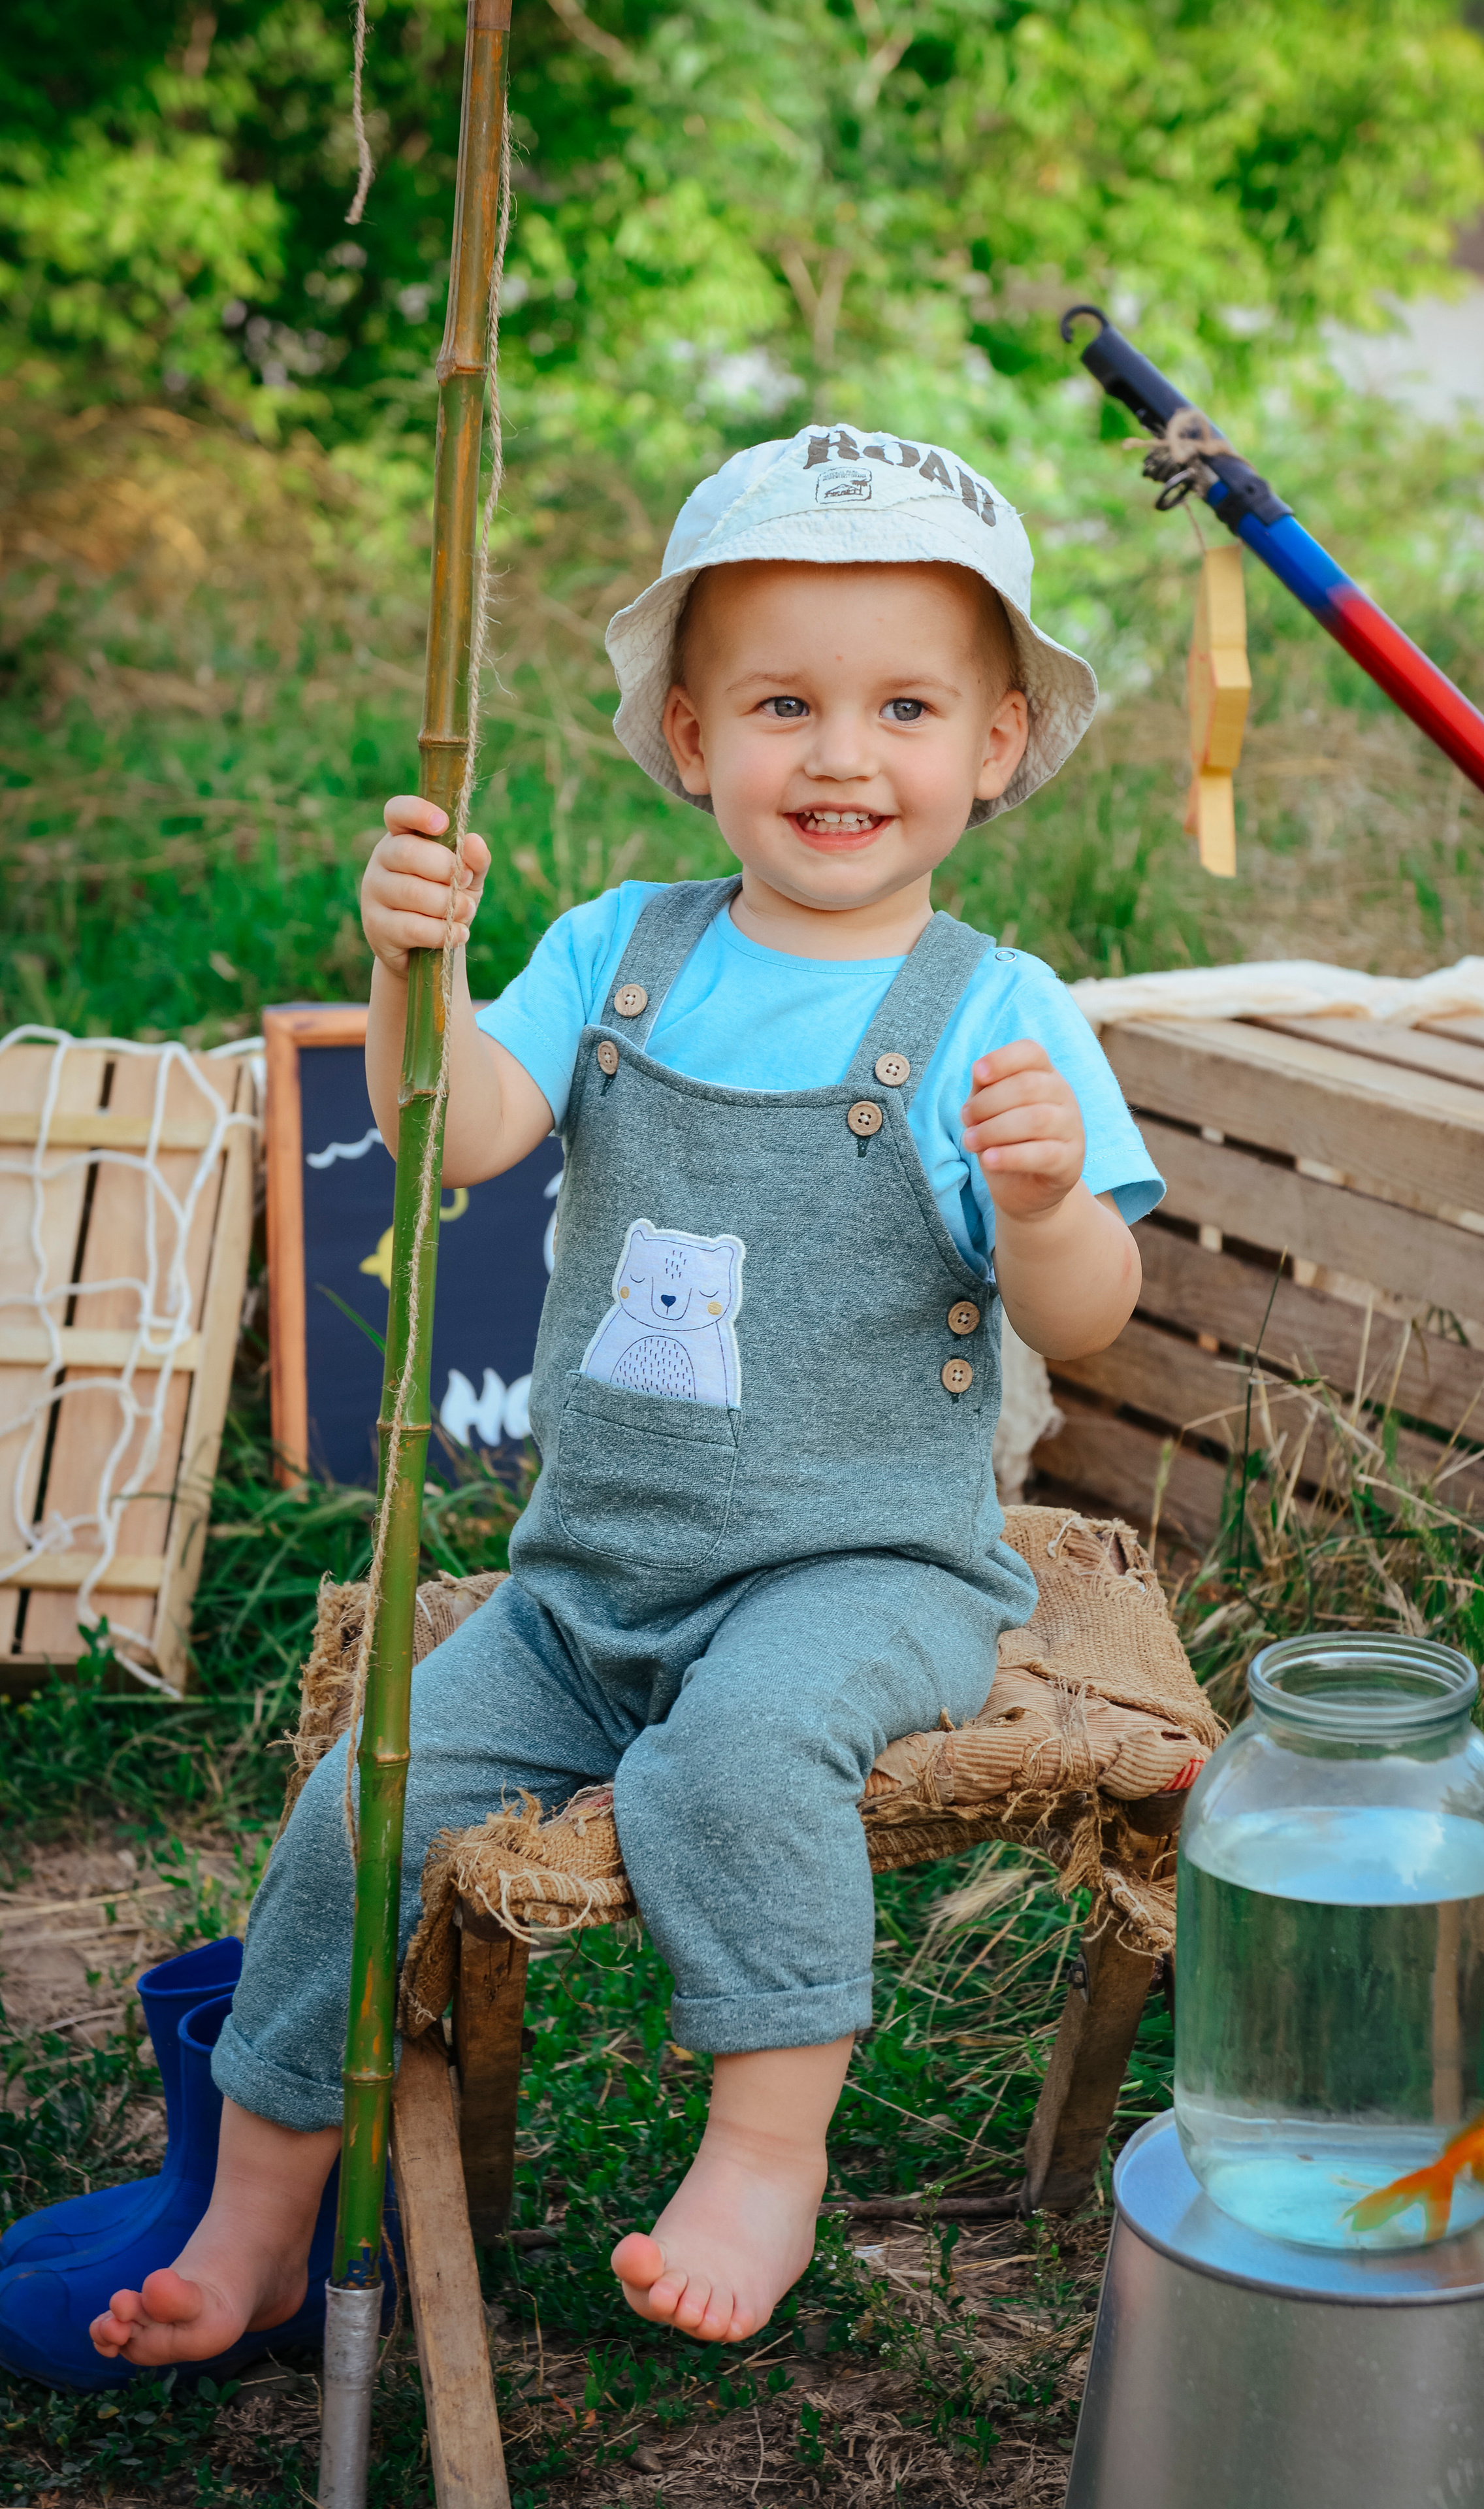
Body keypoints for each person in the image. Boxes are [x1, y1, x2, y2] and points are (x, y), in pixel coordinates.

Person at [90, 423, 1163, 2362]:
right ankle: (256, 2212)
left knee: (739, 1759)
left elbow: (1087, 1317)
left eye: (905, 705)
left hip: (863, 1572)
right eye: (783, 704)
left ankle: (764, 2148)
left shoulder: (1000, 1016)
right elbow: (468, 1133)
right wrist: (412, 970)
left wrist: (1048, 1197)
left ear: (997, 744)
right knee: (356, 1810)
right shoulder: (621, 953)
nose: (842, 754)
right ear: (689, 736)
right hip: (591, 1580)